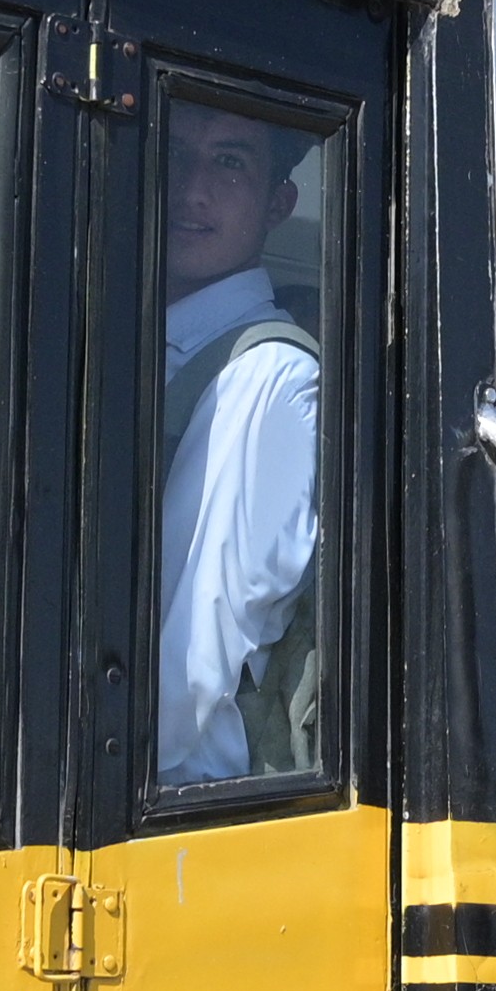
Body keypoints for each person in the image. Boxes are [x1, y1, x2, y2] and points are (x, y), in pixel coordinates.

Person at [147, 99, 324, 789]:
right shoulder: (151, 354)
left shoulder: (267, 375)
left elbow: (202, 647)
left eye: (229, 162)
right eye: (175, 154)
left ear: (278, 203)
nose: (192, 187)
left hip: (181, 806)